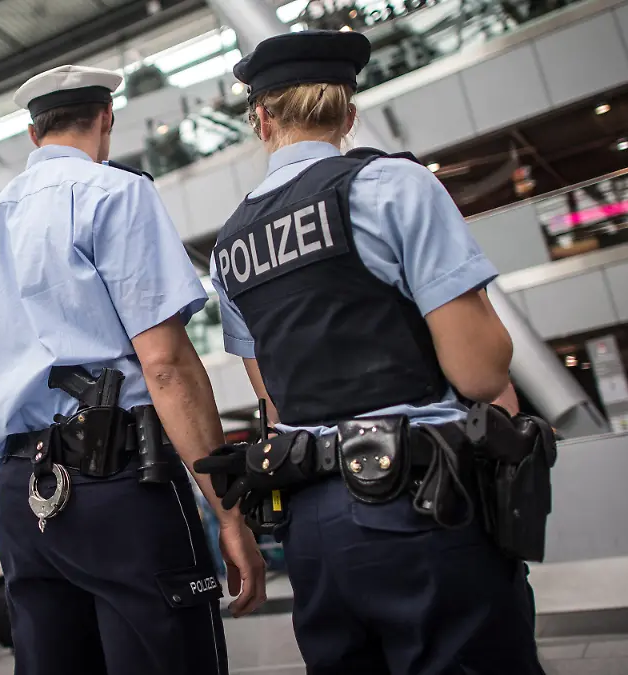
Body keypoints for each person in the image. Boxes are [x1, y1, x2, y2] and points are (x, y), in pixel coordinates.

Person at [193, 30, 545, 674]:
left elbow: (273, 398)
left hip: (313, 526)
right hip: (422, 505)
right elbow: (480, 371)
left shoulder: (231, 244)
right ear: (347, 114)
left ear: (261, 119)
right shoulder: (392, 185)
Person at [0, 63, 267, 675]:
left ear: (34, 134)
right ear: (106, 120)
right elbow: (165, 365)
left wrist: (15, 488)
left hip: (22, 497)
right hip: (120, 480)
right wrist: (229, 513)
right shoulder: (116, 193)